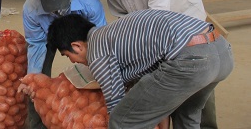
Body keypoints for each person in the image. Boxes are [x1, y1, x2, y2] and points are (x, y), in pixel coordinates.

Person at [81, 0, 218, 128]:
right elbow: (126, 26)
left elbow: (156, 24)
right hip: (157, 34)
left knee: (195, 88)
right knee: (161, 88)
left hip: (188, 29)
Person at [46, 11, 234, 129]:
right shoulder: (111, 33)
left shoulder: (96, 51)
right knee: (187, 116)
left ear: (76, 46)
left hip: (192, 60)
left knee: (121, 122)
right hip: (221, 51)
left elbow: (115, 104)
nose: (73, 61)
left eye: (67, 55)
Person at [23, 0, 107, 129]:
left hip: (82, 33)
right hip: (45, 34)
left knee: (98, 71)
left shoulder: (88, 2)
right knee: (38, 82)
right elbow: (36, 44)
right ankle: (37, 123)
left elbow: (101, 37)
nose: (58, 11)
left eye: (60, 4)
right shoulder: (31, 9)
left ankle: (97, 110)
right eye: (52, 7)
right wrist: (33, 78)